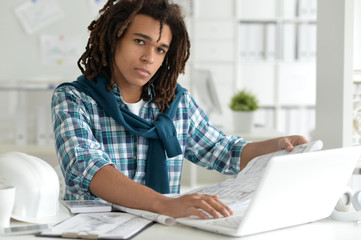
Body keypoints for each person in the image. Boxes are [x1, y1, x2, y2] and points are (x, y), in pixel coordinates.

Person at [51, 0, 307, 220]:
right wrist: (166, 204)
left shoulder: (176, 104)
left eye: (160, 49)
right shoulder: (74, 98)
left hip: (161, 229)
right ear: (113, 39)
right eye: (140, 41)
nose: (149, 58)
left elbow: (224, 151)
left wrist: (276, 147)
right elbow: (89, 168)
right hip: (96, 230)